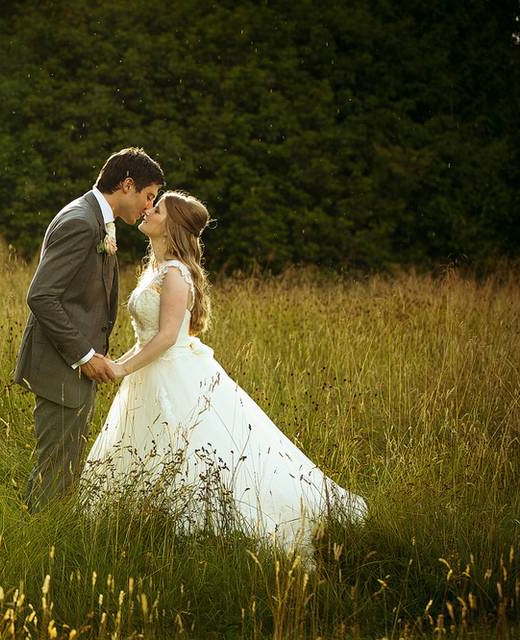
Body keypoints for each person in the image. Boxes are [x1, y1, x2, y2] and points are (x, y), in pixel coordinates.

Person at [81, 190, 367, 553]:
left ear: (174, 225)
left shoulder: (174, 273)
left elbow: (168, 336)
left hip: (175, 372)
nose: (148, 209)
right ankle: (148, 523)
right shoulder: (155, 269)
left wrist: (120, 368)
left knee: (196, 451)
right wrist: (114, 362)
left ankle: (205, 528)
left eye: (159, 207)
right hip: (151, 373)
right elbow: (148, 337)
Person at [13, 147, 164, 512]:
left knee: (60, 468)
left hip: (76, 367)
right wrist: (83, 355)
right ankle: (43, 549)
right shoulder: (81, 220)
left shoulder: (96, 219)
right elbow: (42, 296)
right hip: (63, 366)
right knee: (57, 473)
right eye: (148, 196)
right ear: (127, 185)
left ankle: (39, 539)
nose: (148, 207)